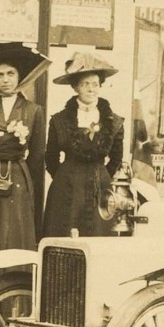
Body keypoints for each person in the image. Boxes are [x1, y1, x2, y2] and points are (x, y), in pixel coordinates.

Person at [0, 41, 48, 290]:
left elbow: (37, 157)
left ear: (19, 76)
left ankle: (15, 299)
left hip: (18, 178)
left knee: (14, 233)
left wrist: (31, 191)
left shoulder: (34, 111)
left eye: (10, 74)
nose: (5, 80)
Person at [43, 52, 124, 237]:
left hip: (100, 187)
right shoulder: (60, 120)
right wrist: (67, 176)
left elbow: (116, 158)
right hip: (67, 188)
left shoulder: (114, 121)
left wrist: (101, 175)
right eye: (85, 84)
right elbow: (51, 157)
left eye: (95, 84)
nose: (90, 89)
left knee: (98, 234)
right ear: (75, 87)